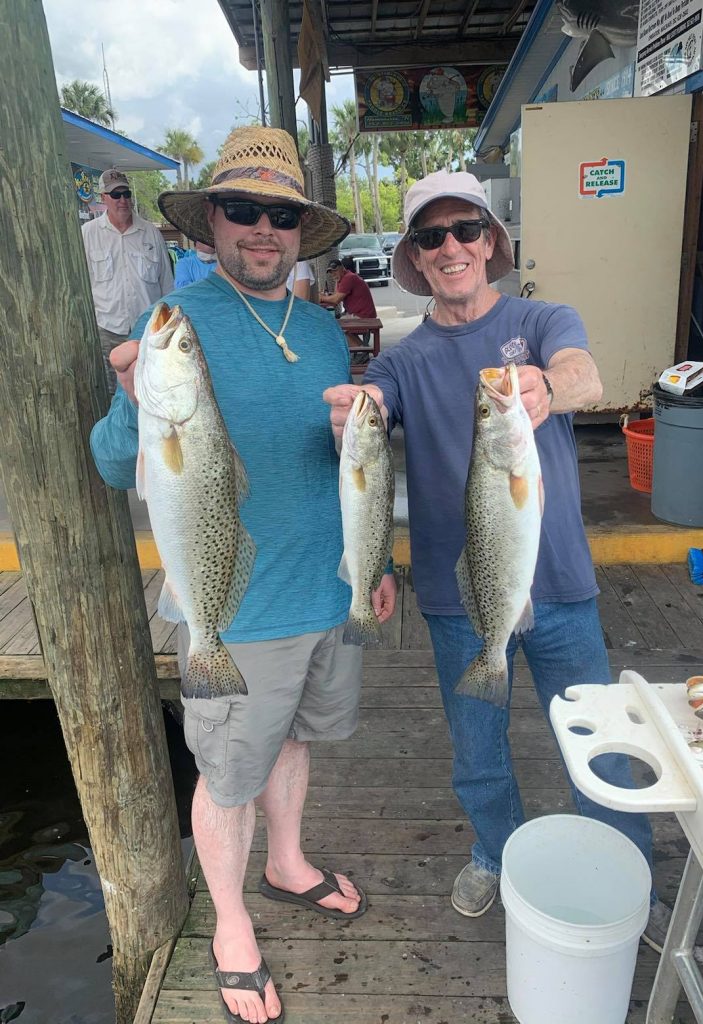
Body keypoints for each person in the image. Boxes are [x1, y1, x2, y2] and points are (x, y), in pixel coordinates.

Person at [89, 126, 395, 1024]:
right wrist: (131, 400)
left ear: (303, 231)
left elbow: (340, 462)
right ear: (207, 223)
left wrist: (369, 562)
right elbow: (118, 466)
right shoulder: (177, 326)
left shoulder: (326, 330)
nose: (263, 229)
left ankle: (288, 861)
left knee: (291, 743)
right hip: (232, 602)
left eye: (281, 215)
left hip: (323, 589)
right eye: (242, 210)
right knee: (226, 775)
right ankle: (229, 924)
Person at [324, 169, 670, 952]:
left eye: (465, 231)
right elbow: (369, 405)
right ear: (414, 255)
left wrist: (549, 382)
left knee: (600, 740)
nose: (451, 248)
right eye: (430, 236)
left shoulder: (542, 317)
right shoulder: (406, 360)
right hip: (457, 600)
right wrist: (356, 410)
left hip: (560, 588)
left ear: (490, 242)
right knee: (477, 748)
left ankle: (629, 873)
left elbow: (586, 375)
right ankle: (495, 850)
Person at [81, 168, 174, 394]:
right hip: (108, 330)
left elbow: (167, 284)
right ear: (103, 198)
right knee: (113, 395)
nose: (122, 200)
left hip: (147, 332)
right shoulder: (87, 233)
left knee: (152, 392)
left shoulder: (151, 232)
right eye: (115, 195)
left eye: (126, 193)